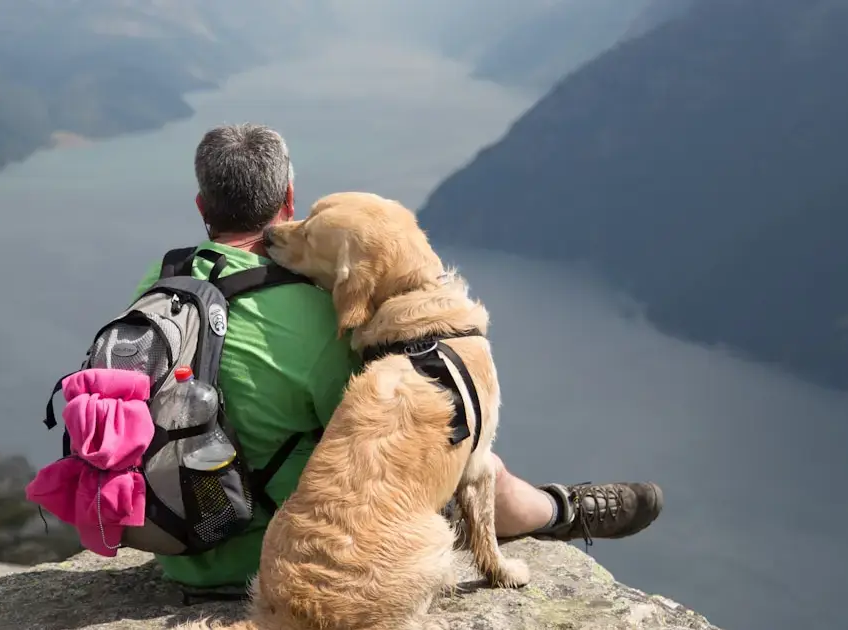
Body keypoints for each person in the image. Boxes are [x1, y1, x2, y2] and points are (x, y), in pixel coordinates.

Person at [130, 123, 664, 591]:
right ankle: (560, 511)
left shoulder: (157, 287)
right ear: (289, 198)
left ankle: (557, 508)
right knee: (463, 446)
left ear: (202, 207)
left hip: (180, 548)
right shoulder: (320, 318)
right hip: (286, 557)